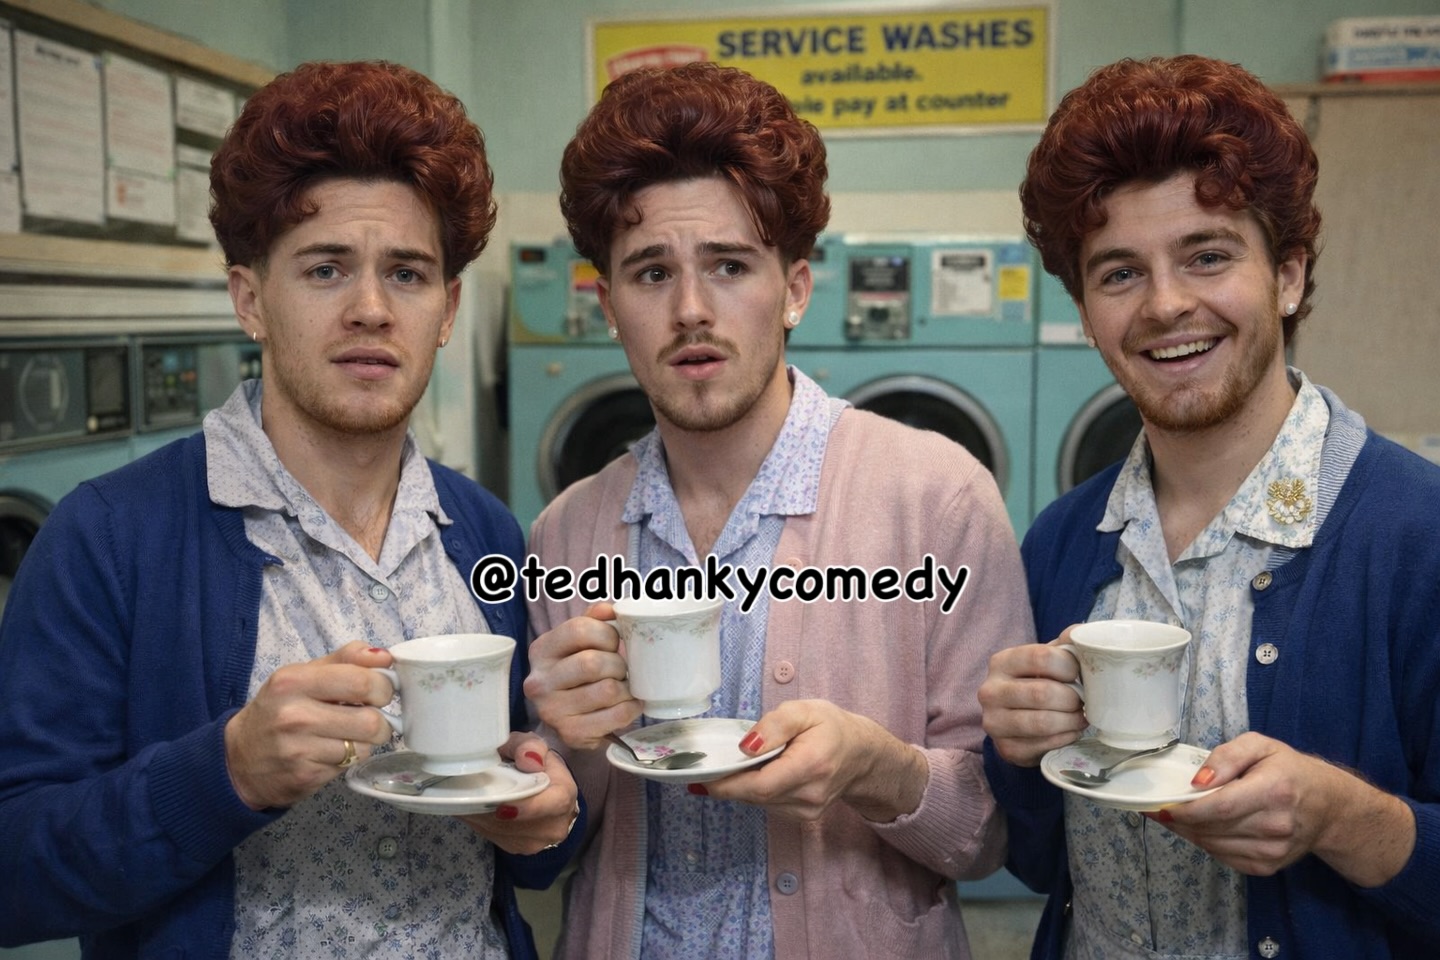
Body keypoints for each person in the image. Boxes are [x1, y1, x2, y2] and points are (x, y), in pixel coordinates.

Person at [0, 60, 582, 958]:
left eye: (408, 274)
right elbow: (16, 871)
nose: (371, 309)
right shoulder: (110, 538)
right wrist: (224, 771)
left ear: (447, 309)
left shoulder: (485, 534)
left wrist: (551, 811)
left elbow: (533, 849)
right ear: (250, 300)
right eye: (325, 269)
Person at [521, 61, 1031, 960]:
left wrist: (878, 770)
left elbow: (995, 836)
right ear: (607, 305)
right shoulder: (568, 531)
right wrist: (564, 748)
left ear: (794, 289)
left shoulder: (935, 498)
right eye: (650, 273)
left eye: (728, 265)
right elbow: (552, 843)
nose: (690, 311)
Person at [979, 54, 1440, 959]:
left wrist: (1346, 818)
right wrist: (1017, 751)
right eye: (1118, 274)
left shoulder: (1415, 536)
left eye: (1208, 255)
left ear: (1290, 275)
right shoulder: (1067, 542)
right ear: (1085, 312)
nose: (1166, 305)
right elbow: (1039, 860)